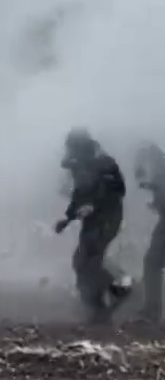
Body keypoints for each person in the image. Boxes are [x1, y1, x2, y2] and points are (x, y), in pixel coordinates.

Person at [55, 128, 131, 324]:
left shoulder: (104, 163)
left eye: (71, 147)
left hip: (108, 219)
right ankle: (97, 308)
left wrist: (95, 205)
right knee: (80, 263)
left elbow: (118, 191)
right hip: (92, 220)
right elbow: (79, 195)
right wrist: (67, 218)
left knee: (89, 264)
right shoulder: (79, 164)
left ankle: (117, 291)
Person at [135, 141, 165, 322]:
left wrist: (151, 186)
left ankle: (152, 311)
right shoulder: (158, 170)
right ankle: (152, 310)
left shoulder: (160, 169)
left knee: (152, 262)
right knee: (152, 262)